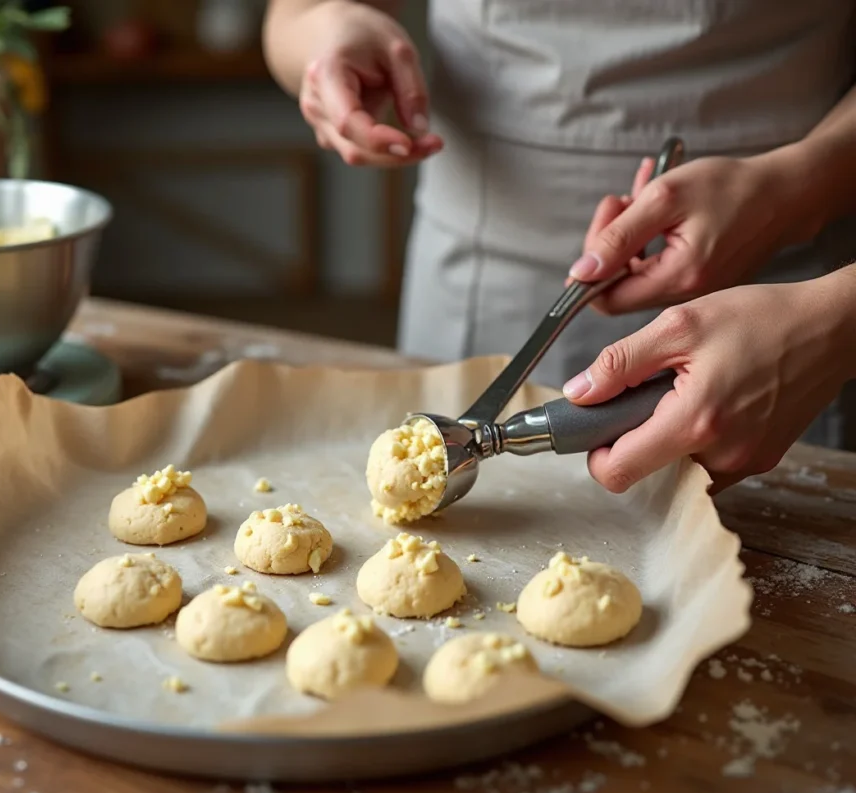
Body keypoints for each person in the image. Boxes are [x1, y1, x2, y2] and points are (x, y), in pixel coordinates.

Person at [262, 0, 856, 493]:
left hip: (785, 301)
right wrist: (324, 30)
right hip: (479, 272)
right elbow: (296, 15)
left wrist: (794, 192)